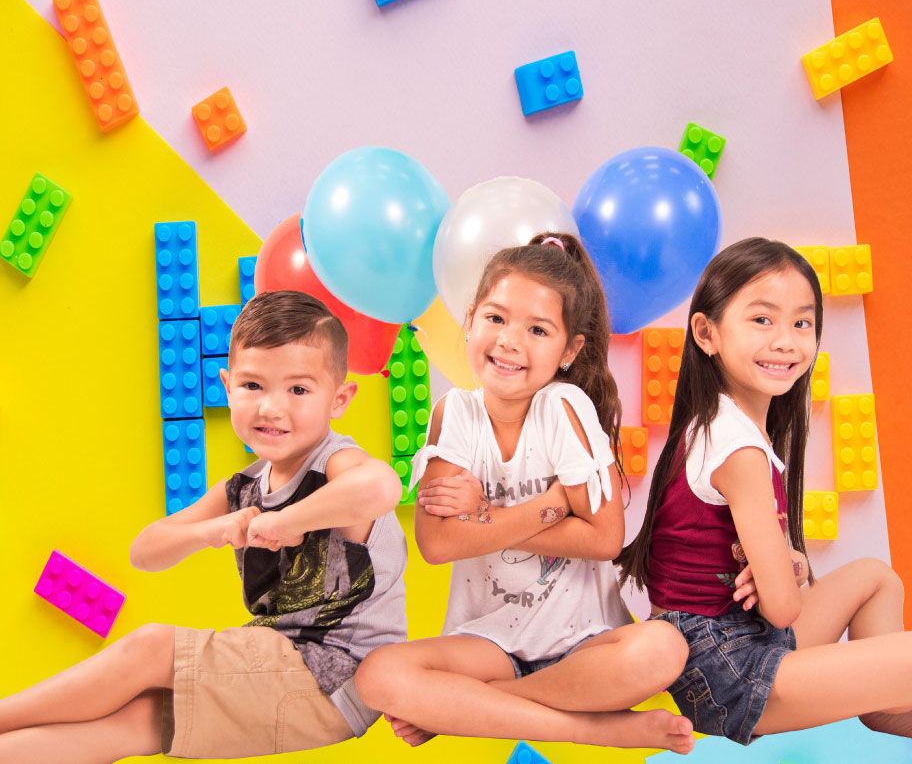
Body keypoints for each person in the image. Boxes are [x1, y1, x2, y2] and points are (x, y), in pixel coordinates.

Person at [615, 237, 912, 749]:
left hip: (737, 635)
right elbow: (783, 609)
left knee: (874, 578)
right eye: (762, 320)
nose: (787, 341)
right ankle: (894, 695)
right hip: (722, 671)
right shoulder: (738, 451)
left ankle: (887, 709)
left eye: (802, 322)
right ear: (706, 333)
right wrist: (785, 576)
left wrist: (786, 568)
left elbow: (777, 585)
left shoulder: (725, 425)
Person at [0, 290, 408, 762]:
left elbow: (382, 487)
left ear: (339, 399)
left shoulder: (336, 462)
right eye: (253, 386)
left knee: (151, 647)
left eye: (298, 390)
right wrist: (211, 531)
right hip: (285, 667)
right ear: (226, 384)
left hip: (336, 676)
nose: (271, 408)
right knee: (133, 723)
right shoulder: (244, 487)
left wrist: (287, 521)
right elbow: (145, 551)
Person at [356, 233, 695, 753]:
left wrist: (484, 515)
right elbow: (438, 545)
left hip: (583, 638)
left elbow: (604, 538)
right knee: (377, 675)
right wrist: (553, 504)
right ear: (469, 319)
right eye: (496, 318)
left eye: (537, 329)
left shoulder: (564, 408)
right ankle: (590, 729)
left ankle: (478, 707)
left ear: (569, 350)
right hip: (488, 640)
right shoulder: (456, 415)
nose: (510, 341)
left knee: (663, 649)